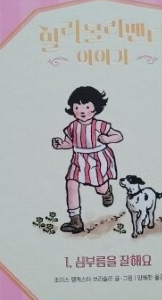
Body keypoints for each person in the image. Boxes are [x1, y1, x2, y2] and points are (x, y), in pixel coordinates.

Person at [51, 86, 123, 233]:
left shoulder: (100, 125)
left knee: (100, 187)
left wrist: (107, 139)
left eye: (87, 107)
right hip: (79, 159)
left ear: (95, 108)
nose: (82, 111)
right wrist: (60, 144)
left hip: (98, 160)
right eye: (77, 107)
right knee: (71, 184)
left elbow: (119, 136)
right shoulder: (72, 126)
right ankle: (75, 220)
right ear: (72, 108)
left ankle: (106, 192)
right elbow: (69, 143)